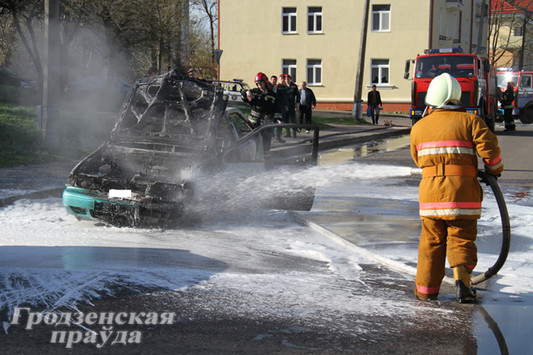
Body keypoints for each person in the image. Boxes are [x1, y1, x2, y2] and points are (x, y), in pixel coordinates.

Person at [410, 73, 504, 303]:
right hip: (462, 195)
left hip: (431, 195)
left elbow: (417, 159)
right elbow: (491, 154)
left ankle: (426, 292)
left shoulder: (419, 127)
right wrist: (494, 170)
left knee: (431, 242)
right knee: (461, 238)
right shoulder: (472, 122)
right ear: (457, 98)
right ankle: (463, 283)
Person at [241, 72, 277, 150]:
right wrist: (246, 92)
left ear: (265, 82)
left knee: (266, 143)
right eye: (257, 83)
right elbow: (243, 96)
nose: (259, 84)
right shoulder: (254, 92)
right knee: (253, 142)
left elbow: (277, 108)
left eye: (261, 82)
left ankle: (266, 160)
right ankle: (253, 160)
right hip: (253, 123)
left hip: (267, 123)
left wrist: (278, 119)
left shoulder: (272, 95)